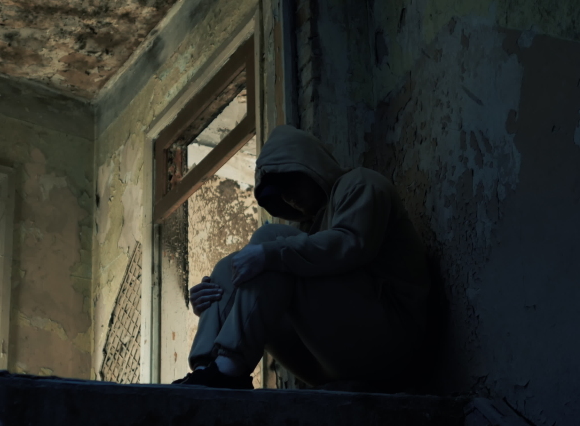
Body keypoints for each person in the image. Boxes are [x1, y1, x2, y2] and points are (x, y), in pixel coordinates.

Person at [172, 125, 430, 391]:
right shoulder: (308, 229)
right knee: (228, 268)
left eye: (290, 183)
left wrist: (269, 253)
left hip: (392, 341)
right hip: (334, 362)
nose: (288, 197)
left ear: (311, 165)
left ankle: (229, 370)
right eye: (279, 193)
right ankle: (208, 370)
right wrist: (219, 302)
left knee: (269, 243)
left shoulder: (361, 183)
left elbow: (351, 244)